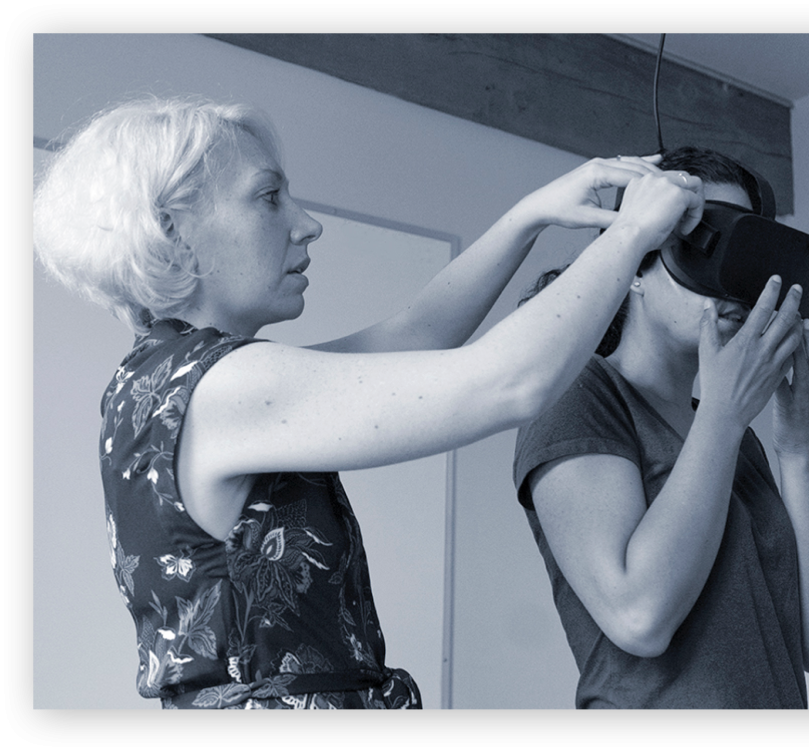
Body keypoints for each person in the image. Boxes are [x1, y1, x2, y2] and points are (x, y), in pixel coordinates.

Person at [32, 96, 704, 709]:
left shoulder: (164, 382)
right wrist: (630, 237)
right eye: (268, 197)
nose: (307, 224)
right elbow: (509, 381)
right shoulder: (226, 387)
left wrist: (532, 214)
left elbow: (415, 335)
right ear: (172, 231)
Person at [513, 147, 809, 709]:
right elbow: (638, 617)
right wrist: (723, 416)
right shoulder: (579, 395)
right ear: (634, 264)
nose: (735, 282)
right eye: (707, 243)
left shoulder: (732, 433)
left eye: (750, 253)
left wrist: (797, 448)